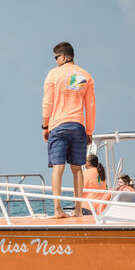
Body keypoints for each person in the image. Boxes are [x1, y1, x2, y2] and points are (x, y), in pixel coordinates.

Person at [42, 42, 96, 218]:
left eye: (56, 57)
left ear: (64, 57)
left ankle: (58, 210)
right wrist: (89, 131)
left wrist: (45, 126)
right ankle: (78, 210)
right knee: (77, 168)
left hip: (58, 125)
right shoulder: (85, 76)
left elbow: (47, 102)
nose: (56, 61)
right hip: (78, 126)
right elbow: (91, 106)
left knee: (58, 168)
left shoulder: (53, 74)